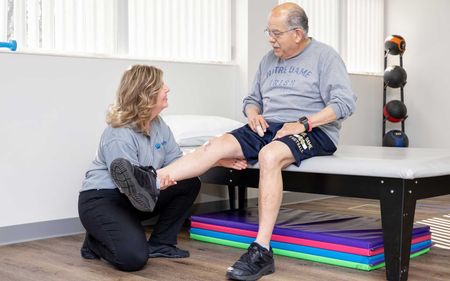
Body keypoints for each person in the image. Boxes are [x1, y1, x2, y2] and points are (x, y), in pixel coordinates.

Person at [115, 2, 356, 280]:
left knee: (269, 156)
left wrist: (303, 123)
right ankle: (151, 181)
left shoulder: (325, 57)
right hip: (267, 125)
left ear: (298, 33)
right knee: (215, 145)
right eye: (268, 31)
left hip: (313, 130)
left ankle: (262, 250)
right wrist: (253, 115)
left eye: (276, 33)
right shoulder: (268, 60)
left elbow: (344, 104)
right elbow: (252, 101)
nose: (270, 38)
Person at [77, 65, 201, 272]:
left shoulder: (159, 125)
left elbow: (177, 162)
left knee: (188, 181)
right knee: (133, 258)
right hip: (103, 199)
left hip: (136, 198)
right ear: (146, 93)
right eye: (162, 86)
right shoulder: (119, 132)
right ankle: (95, 243)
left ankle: (161, 243)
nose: (168, 89)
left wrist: (214, 159)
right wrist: (157, 180)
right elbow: (127, 181)